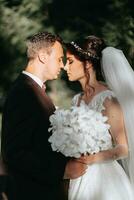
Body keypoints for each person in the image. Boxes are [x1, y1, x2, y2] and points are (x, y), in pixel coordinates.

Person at [1, 32, 87, 200]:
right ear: (42, 56)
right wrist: (62, 170)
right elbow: (14, 152)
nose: (62, 66)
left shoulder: (32, 89)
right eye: (59, 59)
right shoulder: (23, 93)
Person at [64, 35, 134, 200]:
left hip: (106, 181)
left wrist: (92, 159)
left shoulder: (108, 99)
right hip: (79, 177)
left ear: (87, 64)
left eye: (71, 61)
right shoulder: (76, 100)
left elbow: (123, 148)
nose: (65, 67)